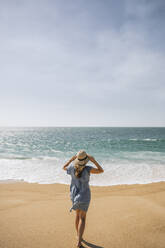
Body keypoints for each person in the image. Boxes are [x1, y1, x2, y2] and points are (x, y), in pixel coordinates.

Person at [63, 150, 104, 247]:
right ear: (86, 160)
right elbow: (101, 170)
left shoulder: (72, 167)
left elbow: (63, 167)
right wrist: (94, 161)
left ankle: (78, 236)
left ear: (77, 159)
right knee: (83, 218)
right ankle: (79, 242)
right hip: (84, 195)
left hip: (74, 195)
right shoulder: (88, 169)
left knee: (77, 216)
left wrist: (71, 160)